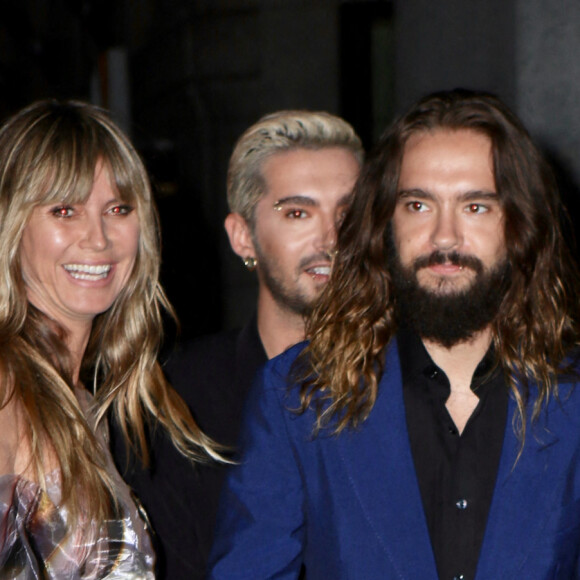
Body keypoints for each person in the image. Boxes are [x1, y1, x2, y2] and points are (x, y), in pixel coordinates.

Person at [207, 89, 580, 579]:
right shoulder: (297, 397)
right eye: (419, 205)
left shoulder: (571, 399)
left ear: (519, 224)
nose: (445, 237)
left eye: (476, 207)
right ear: (385, 221)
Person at [112, 110, 364, 578]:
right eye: (297, 213)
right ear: (243, 237)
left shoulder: (418, 385)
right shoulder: (175, 399)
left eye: (349, 213)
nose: (333, 238)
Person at [0, 99, 222, 578]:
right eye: (65, 210)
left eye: (118, 208)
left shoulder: (81, 401)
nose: (98, 239)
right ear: (12, 225)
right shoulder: (6, 386)